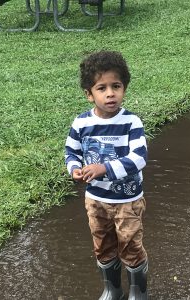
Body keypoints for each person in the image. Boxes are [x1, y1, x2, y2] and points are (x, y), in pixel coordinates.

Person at [65, 50, 148, 300]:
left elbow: (139, 157)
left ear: (124, 88)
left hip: (127, 201)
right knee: (102, 246)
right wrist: (75, 170)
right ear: (89, 94)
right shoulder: (81, 124)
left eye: (116, 86)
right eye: (102, 88)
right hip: (96, 200)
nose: (110, 93)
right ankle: (112, 289)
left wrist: (104, 168)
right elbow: (71, 152)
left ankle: (138, 292)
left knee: (131, 246)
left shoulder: (131, 122)